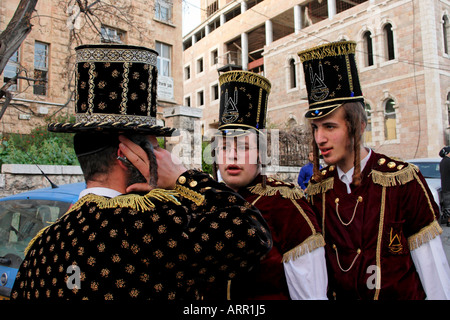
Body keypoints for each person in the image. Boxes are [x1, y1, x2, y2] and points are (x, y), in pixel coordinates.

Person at [11, 44, 272, 301]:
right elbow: (252, 234)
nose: (162, 159)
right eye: (156, 150)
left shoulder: (43, 245)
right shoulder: (153, 226)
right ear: (128, 155)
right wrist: (184, 177)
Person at [298, 40, 450, 299]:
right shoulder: (317, 190)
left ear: (358, 126)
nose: (319, 138)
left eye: (330, 126)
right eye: (315, 128)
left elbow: (434, 274)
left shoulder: (402, 181)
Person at [210, 70, 327, 300]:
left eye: (244, 147)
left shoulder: (286, 207)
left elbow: (310, 294)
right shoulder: (206, 203)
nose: (232, 156)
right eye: (224, 147)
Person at [440, 146, 450, 227]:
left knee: (447, 204)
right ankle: (449, 221)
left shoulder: (443, 161)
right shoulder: (447, 161)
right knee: (448, 204)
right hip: (448, 186)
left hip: (445, 186)